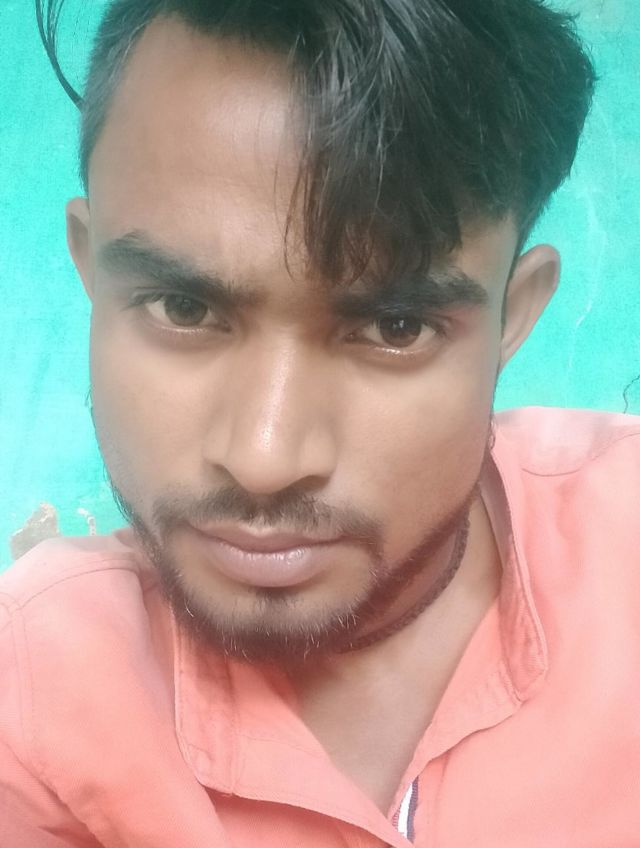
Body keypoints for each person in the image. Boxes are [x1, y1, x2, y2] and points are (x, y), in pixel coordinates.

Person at [1, 1, 638, 845]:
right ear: (91, 269)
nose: (264, 459)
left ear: (512, 319)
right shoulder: (31, 696)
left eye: (395, 327)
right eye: (183, 307)